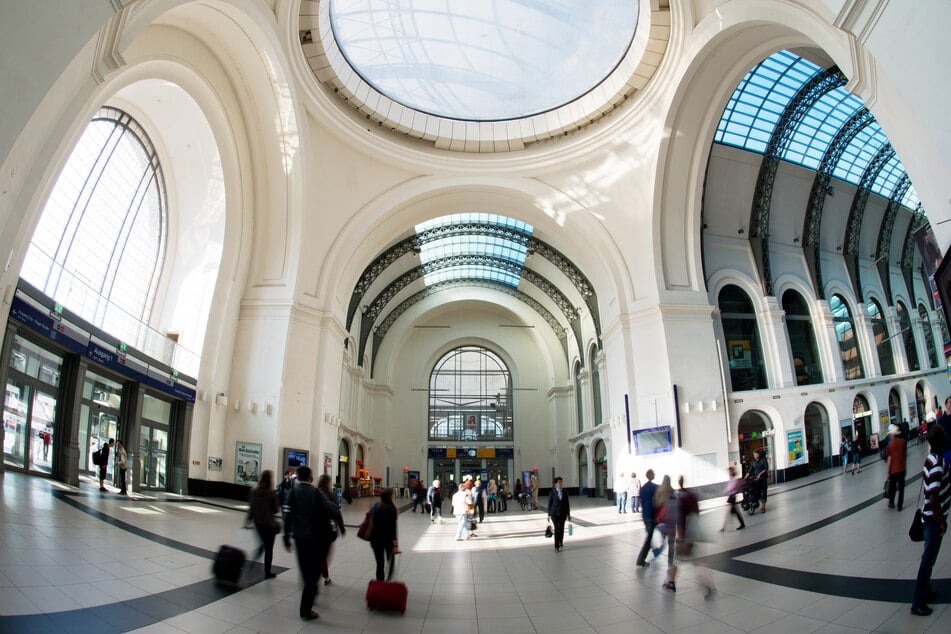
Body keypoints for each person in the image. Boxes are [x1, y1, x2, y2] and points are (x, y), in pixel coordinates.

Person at [282, 465, 339, 621]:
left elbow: (286, 517)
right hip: (316, 538)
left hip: (299, 538)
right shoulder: (316, 493)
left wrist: (286, 539)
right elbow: (333, 509)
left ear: (297, 477)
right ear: (311, 478)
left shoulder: (291, 493)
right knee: (313, 573)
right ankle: (306, 609)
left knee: (305, 569)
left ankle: (309, 594)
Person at [911, 426, 950, 616]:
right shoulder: (937, 463)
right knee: (928, 560)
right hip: (933, 519)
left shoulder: (931, 458)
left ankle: (925, 590)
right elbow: (933, 496)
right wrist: (941, 520)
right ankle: (917, 601)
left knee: (930, 558)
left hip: (931, 517)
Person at [248, 470, 281, 580]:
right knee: (268, 549)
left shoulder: (254, 491)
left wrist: (248, 521)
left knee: (262, 545)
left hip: (258, 523)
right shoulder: (272, 493)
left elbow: (251, 508)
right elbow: (275, 510)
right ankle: (267, 572)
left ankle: (252, 562)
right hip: (269, 525)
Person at [317, 474, 346, 585]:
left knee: (320, 553)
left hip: (316, 528)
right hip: (328, 528)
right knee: (325, 554)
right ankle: (324, 575)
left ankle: (323, 574)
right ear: (328, 483)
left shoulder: (315, 493)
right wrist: (342, 527)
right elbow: (337, 512)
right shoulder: (331, 495)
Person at [369, 488, 399, 581]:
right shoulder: (392, 509)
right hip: (387, 540)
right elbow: (393, 529)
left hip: (375, 540)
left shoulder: (374, 506)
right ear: (390, 497)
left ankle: (380, 584)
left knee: (380, 564)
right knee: (391, 562)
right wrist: (395, 545)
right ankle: (388, 582)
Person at [635, 469, 658, 566]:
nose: (654, 474)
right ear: (650, 475)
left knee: (650, 535)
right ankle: (641, 560)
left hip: (645, 515)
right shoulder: (654, 487)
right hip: (651, 515)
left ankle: (654, 551)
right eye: (653, 473)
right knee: (649, 537)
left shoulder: (643, 487)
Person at [885, 423, 907, 511]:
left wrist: (888, 471)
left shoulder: (890, 446)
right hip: (902, 468)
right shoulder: (903, 442)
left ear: (893, 435)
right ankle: (899, 505)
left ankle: (891, 503)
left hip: (893, 470)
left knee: (892, 487)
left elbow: (889, 459)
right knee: (901, 488)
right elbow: (904, 455)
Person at [547, 476, 571, 553]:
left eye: (561, 482)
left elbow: (567, 504)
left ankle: (561, 541)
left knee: (562, 529)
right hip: (554, 513)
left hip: (563, 513)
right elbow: (550, 504)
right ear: (556, 484)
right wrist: (548, 514)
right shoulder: (552, 492)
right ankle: (556, 546)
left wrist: (568, 514)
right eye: (559, 482)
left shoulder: (565, 492)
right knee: (557, 529)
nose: (561, 483)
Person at [721, 466, 745, 531]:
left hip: (732, 496)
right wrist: (726, 491)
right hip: (731, 496)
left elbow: (732, 487)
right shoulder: (731, 479)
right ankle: (741, 524)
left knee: (729, 512)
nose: (728, 473)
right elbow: (729, 487)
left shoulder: (734, 479)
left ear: (732, 472)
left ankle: (724, 527)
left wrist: (727, 490)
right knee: (734, 512)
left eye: (729, 471)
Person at [749, 448, 769, 512]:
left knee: (763, 492)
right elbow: (750, 470)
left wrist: (760, 474)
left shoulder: (763, 460)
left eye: (756, 454)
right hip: (757, 479)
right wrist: (745, 477)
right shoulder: (753, 462)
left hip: (763, 479)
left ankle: (763, 507)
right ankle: (755, 502)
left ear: (758, 455)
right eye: (754, 454)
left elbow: (766, 468)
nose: (754, 456)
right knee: (757, 491)